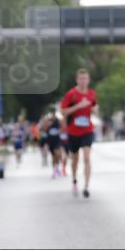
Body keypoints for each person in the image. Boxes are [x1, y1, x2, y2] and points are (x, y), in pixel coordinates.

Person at [60, 68, 98, 197]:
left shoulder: (92, 94)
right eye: (81, 79)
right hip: (73, 131)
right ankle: (75, 180)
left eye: (85, 79)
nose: (83, 81)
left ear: (88, 80)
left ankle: (86, 186)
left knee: (87, 156)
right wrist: (78, 106)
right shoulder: (71, 94)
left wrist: (95, 109)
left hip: (87, 129)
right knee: (75, 159)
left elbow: (94, 108)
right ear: (77, 80)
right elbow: (63, 111)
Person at [42, 111, 65, 178]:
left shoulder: (58, 121)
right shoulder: (48, 121)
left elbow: (63, 126)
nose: (53, 115)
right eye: (52, 113)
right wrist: (47, 124)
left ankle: (57, 167)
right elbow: (44, 129)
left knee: (58, 154)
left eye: (54, 113)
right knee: (53, 156)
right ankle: (55, 169)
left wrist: (60, 130)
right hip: (50, 141)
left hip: (57, 140)